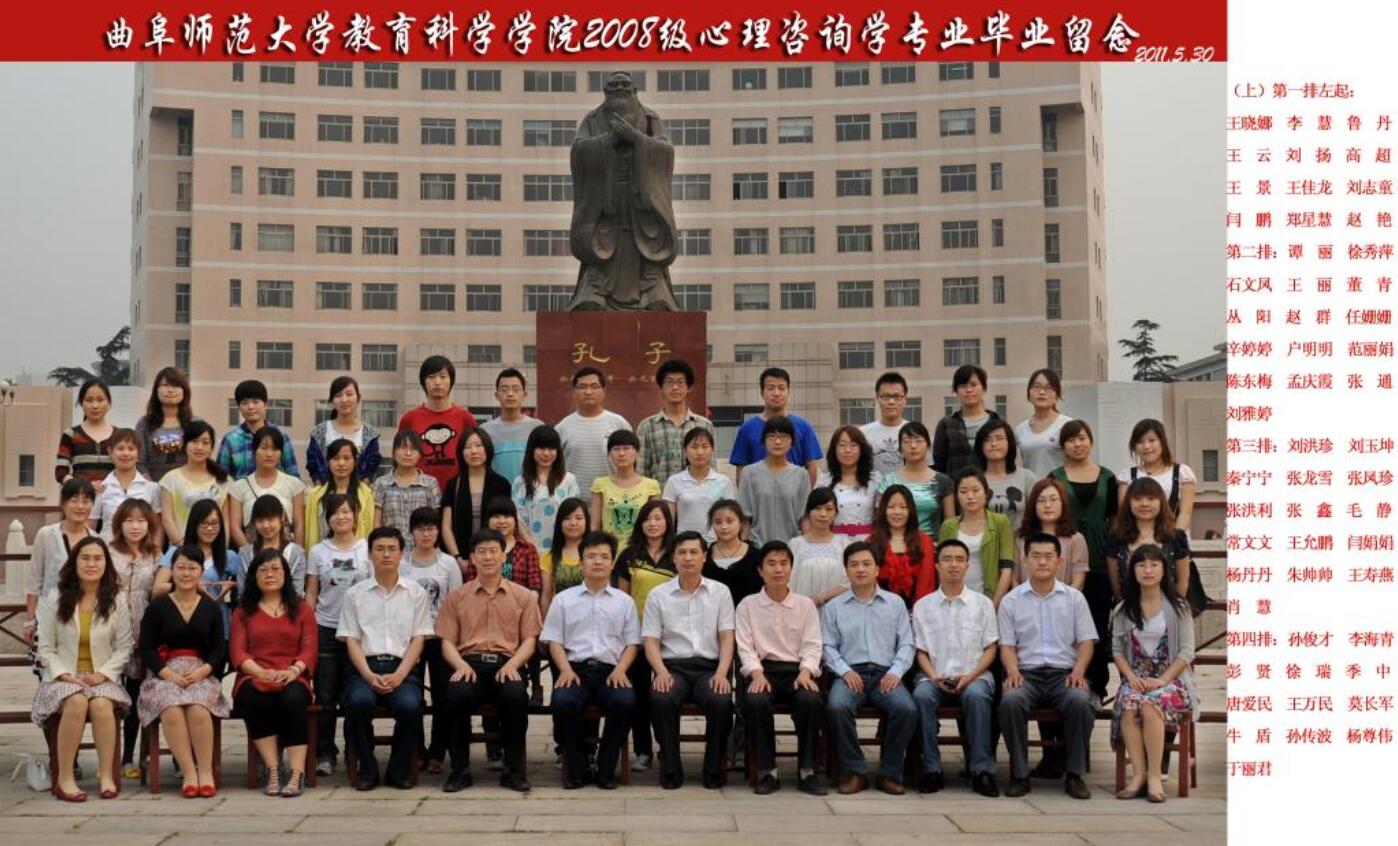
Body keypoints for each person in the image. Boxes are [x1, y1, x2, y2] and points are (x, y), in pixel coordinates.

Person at [437, 529, 542, 793]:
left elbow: (530, 640)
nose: (487, 557)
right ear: (472, 558)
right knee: (455, 696)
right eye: (481, 552)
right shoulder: (457, 597)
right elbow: (447, 641)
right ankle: (460, 771)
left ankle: (513, 771)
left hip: (507, 663)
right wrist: (460, 665)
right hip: (469, 664)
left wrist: (513, 665)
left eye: (493, 551)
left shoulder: (523, 596)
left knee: (516, 696)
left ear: (503, 556)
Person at [566, 71, 681, 311]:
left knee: (645, 245)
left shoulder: (650, 119)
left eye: (625, 84)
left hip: (640, 196)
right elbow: (579, 151)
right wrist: (608, 140)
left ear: (635, 91)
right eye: (614, 84)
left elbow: (665, 151)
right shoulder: (592, 119)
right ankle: (594, 292)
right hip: (605, 198)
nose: (620, 87)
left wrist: (635, 138)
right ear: (605, 91)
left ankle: (652, 293)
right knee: (603, 242)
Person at [31, 537, 133, 801]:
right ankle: (65, 777)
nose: (91, 564)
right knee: (76, 701)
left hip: (102, 677)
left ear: (106, 563)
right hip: (62, 677)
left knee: (101, 705)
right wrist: (64, 675)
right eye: (85, 558)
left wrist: (103, 675)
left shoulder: (116, 600)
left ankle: (106, 775)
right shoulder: (55, 598)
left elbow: (124, 647)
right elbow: (45, 648)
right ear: (74, 563)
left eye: (98, 558)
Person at [998, 533, 1098, 800]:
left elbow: (1086, 641)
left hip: (1064, 674)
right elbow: (1006, 645)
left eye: (1048, 556)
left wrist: (1079, 671)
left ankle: (1074, 774)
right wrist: (1012, 672)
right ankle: (1020, 774)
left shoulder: (1074, 598)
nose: (1042, 562)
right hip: (1026, 675)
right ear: (1025, 560)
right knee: (1010, 701)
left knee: (1080, 701)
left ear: (1059, 561)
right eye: (1036, 556)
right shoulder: (1011, 600)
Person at [540, 532, 641, 789]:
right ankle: (577, 768)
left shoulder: (625, 602)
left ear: (612, 562)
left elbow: (632, 643)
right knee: (563, 701)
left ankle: (606, 769)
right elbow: (554, 640)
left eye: (604, 557)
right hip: (575, 670)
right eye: (591, 556)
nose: (598, 561)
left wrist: (621, 670)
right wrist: (564, 669)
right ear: (581, 561)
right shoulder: (563, 599)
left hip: (611, 671)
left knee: (625, 702)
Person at [338, 527, 433, 790]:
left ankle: (397, 769)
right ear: (370, 555)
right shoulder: (355, 594)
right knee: (358, 703)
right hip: (364, 669)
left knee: (410, 706)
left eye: (392, 549)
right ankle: (367, 768)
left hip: (402, 668)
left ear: (402, 553)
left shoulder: (416, 593)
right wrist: (369, 676)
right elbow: (351, 640)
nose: (386, 555)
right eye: (380, 549)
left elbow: (418, 639)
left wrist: (400, 674)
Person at [821, 542, 917, 796]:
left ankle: (889, 773)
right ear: (846, 570)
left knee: (906, 709)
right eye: (854, 565)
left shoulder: (895, 604)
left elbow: (907, 643)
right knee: (837, 706)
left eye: (866, 564)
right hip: (850, 673)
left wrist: (896, 671)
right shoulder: (834, 606)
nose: (860, 569)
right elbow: (827, 646)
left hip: (887, 673)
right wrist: (844, 671)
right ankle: (855, 772)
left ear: (877, 569)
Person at [643, 532, 735, 789]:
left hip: (709, 668)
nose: (688, 558)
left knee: (721, 701)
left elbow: (727, 637)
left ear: (705, 557)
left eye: (694, 552)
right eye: (682, 552)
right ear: (673, 558)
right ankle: (671, 769)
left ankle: (713, 768)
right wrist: (661, 672)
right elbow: (650, 640)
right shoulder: (658, 595)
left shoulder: (720, 592)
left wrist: (722, 673)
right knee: (661, 698)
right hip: (673, 668)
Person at [910, 539, 1001, 797]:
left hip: (975, 675)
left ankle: (981, 770)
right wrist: (933, 677)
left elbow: (991, 648)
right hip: (934, 676)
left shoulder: (983, 604)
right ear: (937, 565)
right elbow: (920, 651)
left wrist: (971, 676)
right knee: (921, 696)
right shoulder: (923, 605)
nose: (953, 565)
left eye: (960, 559)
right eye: (947, 559)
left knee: (976, 696)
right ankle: (931, 769)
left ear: (968, 565)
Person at [138, 545, 230, 798]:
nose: (186, 573)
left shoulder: (211, 608)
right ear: (172, 570)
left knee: (198, 707)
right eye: (180, 567)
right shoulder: (158, 606)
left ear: (201, 572)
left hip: (200, 672)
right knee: (171, 707)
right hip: (165, 674)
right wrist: (167, 674)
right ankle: (189, 773)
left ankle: (205, 772)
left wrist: (203, 671)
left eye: (192, 568)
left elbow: (219, 649)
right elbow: (146, 648)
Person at [736, 540, 827, 796]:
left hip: (797, 670)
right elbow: (745, 646)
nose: (778, 569)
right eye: (771, 564)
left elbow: (813, 645)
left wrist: (806, 672)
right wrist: (756, 673)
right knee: (756, 702)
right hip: (763, 671)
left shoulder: (805, 605)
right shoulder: (747, 605)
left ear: (791, 569)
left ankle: (808, 771)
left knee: (811, 701)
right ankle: (768, 771)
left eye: (784, 564)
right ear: (760, 570)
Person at [1111, 545, 1198, 804]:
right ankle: (1138, 774)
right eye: (1141, 565)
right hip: (1136, 679)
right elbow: (1117, 651)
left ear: (1164, 570)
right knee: (1129, 704)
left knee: (1150, 705)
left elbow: (1186, 651)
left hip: (1172, 682)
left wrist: (1162, 680)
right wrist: (1130, 677)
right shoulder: (1123, 609)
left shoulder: (1179, 608)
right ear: (1133, 571)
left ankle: (1154, 776)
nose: (1147, 570)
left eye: (1154, 565)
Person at [230, 548, 317, 797]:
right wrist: (261, 672)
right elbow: (237, 651)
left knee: (293, 699)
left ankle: (297, 772)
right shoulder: (243, 611)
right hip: (254, 675)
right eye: (263, 570)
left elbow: (309, 648)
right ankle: (273, 769)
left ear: (286, 574)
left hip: (293, 675)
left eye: (275, 568)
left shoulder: (302, 609)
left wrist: (293, 670)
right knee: (255, 699)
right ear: (254, 576)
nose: (270, 574)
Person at [1049, 420, 1119, 703]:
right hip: (1065, 563)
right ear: (1062, 446)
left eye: (1082, 438)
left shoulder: (1108, 477)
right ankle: (1065, 682)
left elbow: (1115, 521)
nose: (1077, 444)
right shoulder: (1055, 477)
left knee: (1097, 626)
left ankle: (1096, 687)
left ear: (1091, 441)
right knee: (1064, 626)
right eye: (1071, 440)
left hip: (1100, 562)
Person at [304, 493, 372, 776]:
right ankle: (324, 753)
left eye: (347, 511)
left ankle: (355, 750)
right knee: (325, 695)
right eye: (335, 512)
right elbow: (311, 593)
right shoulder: (318, 552)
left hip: (359, 631)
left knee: (354, 694)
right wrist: (309, 627)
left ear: (355, 514)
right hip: (326, 627)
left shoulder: (366, 549)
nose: (341, 517)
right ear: (327, 518)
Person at [399, 507, 463, 773]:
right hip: (410, 637)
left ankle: (438, 751)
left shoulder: (448, 563)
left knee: (443, 694)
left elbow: (457, 601)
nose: (426, 534)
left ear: (438, 531)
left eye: (431, 528)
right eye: (420, 529)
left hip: (440, 636)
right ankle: (417, 749)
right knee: (411, 694)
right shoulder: (402, 563)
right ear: (411, 532)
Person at [614, 499, 675, 770]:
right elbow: (622, 599)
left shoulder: (676, 554)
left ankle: (667, 747)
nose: (653, 523)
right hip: (637, 637)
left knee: (664, 694)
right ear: (640, 523)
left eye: (658, 518)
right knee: (639, 696)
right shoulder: (629, 555)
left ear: (667, 523)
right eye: (648, 518)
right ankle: (643, 751)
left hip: (670, 638)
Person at [108, 499, 161, 780]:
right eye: (129, 520)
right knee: (115, 694)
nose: (135, 526)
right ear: (120, 524)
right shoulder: (108, 552)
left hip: (144, 628)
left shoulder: (155, 555)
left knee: (138, 692)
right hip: (114, 627)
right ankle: (111, 756)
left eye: (141, 521)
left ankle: (132, 756)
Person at [24, 478, 98, 645]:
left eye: (86, 501)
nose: (80, 506)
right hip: (49, 616)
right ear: (63, 503)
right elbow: (34, 580)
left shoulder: (96, 539)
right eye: (74, 500)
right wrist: (29, 620)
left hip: (84, 619)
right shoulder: (46, 535)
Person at [155, 499, 243, 634]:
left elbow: (246, 587)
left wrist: (232, 586)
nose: (209, 528)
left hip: (218, 626)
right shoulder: (176, 552)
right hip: (182, 623)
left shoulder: (229, 556)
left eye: (214, 524)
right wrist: (193, 586)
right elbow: (157, 588)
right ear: (194, 524)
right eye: (204, 523)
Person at [1108, 478, 1197, 609]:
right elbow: (1115, 582)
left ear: (1161, 502)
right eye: (1137, 499)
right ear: (1129, 502)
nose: (1144, 504)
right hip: (1129, 609)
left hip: (1169, 610)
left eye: (1151, 498)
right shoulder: (1117, 537)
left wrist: (1171, 611)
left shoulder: (1176, 537)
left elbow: (1182, 583)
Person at [396, 356, 479, 492]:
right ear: (423, 382)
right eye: (431, 377)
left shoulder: (466, 418)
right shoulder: (409, 419)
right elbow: (399, 457)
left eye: (443, 376)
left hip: (457, 491)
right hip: (418, 492)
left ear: (451, 381)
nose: (437, 382)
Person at [728, 368, 823, 485]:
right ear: (762, 392)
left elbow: (811, 466)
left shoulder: (804, 427)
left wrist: (803, 494)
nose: (776, 393)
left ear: (788, 391)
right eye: (771, 388)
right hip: (758, 493)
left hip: (793, 492)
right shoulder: (747, 429)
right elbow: (741, 471)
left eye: (781, 388)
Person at [938, 469, 1016, 606]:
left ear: (986, 493)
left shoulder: (1000, 522)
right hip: (955, 598)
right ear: (956, 496)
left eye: (975, 490)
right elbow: (942, 568)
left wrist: (993, 605)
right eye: (963, 491)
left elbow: (1006, 569)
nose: (970, 496)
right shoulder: (948, 526)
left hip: (989, 597)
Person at [736, 416, 812, 546]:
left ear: (792, 441)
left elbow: (804, 518)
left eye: (784, 437)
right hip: (757, 546)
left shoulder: (801, 475)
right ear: (763, 440)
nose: (777, 441)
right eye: (771, 436)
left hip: (791, 547)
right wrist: (744, 547)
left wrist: (808, 547)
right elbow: (745, 518)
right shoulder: (749, 473)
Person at [637, 358, 715, 485]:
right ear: (661, 388)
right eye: (669, 382)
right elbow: (641, 472)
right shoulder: (647, 426)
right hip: (660, 496)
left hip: (696, 495)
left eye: (680, 382)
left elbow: (711, 468)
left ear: (688, 388)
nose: (674, 387)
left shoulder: (704, 425)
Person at [226, 427, 307, 549]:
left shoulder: (294, 485)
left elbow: (299, 525)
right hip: (252, 554)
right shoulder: (238, 487)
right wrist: (250, 554)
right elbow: (234, 527)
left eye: (275, 449)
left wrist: (296, 553)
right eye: (264, 448)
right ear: (254, 451)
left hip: (285, 554)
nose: (269, 454)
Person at [556, 367, 632, 495]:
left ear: (603, 391)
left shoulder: (619, 424)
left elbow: (632, 464)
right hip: (573, 501)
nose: (588, 391)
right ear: (574, 392)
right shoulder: (562, 427)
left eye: (594, 386)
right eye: (582, 387)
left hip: (612, 499)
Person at [441, 428, 511, 566]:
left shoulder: (501, 484)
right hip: (461, 558)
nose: (473, 451)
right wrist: (457, 558)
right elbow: (446, 527)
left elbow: (508, 524)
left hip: (492, 558)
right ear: (461, 453)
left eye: (479, 445)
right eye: (467, 447)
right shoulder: (453, 484)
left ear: (487, 449)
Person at [512, 424, 581, 558]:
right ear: (532, 450)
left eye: (551, 448)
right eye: (541, 448)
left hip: (563, 552)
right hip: (530, 552)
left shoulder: (569, 480)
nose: (546, 453)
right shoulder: (520, 482)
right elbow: (518, 519)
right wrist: (533, 549)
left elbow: (574, 516)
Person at [1118, 419, 1197, 536]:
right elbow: (1124, 514)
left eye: (1152, 440)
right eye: (1140, 442)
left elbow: (1185, 513)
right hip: (1137, 540)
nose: (1146, 446)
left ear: (1162, 441)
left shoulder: (1182, 473)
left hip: (1174, 539)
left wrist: (1173, 541)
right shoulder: (1127, 476)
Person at [875, 422, 954, 536]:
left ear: (928, 446)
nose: (913, 446)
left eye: (918, 440)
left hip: (933, 544)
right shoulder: (887, 481)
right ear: (900, 448)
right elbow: (880, 521)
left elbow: (950, 525)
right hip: (896, 544)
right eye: (907, 441)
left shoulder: (943, 481)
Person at [158, 420, 230, 544]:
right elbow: (167, 519)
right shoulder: (170, 479)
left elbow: (225, 521)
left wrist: (222, 548)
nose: (199, 447)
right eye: (194, 441)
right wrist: (182, 546)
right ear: (185, 445)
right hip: (181, 550)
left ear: (212, 447)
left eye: (205, 443)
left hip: (214, 551)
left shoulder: (223, 480)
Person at [590, 429, 661, 550]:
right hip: (609, 552)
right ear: (609, 454)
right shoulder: (600, 485)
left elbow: (657, 526)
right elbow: (595, 526)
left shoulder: (651, 486)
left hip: (640, 551)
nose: (621, 453)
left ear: (637, 453)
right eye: (616, 449)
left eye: (627, 448)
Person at [869, 484, 937, 607]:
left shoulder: (924, 541)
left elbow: (926, 582)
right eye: (891, 507)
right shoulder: (872, 541)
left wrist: (919, 611)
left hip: (917, 610)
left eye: (903, 507)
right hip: (880, 609)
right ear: (883, 510)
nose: (897, 512)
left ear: (911, 510)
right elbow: (869, 584)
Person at [216, 379, 299, 480]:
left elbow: (293, 476)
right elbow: (221, 479)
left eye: (256, 402)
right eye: (245, 403)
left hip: (276, 490)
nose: (250, 407)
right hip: (241, 490)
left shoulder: (281, 435)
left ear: (265, 404)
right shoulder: (230, 439)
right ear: (239, 407)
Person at [306, 376, 382, 484]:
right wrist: (320, 487)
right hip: (326, 491)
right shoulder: (319, 432)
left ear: (358, 398)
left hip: (359, 492)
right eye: (338, 395)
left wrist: (362, 488)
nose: (344, 400)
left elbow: (371, 467)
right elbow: (313, 465)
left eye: (349, 394)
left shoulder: (370, 434)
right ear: (332, 400)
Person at [1014, 479, 1089, 589]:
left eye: (1053, 499)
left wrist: (1059, 598)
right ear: (1033, 505)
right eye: (1041, 500)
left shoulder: (1076, 539)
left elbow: (1078, 581)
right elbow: (1014, 579)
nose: (1048, 505)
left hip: (1065, 598)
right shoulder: (1020, 537)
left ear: (1062, 503)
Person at [662, 427, 734, 539]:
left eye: (705, 447)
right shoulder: (674, 481)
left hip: (715, 543)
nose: (700, 452)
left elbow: (730, 517)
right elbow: (668, 521)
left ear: (712, 450)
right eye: (694, 447)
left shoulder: (723, 482)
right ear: (685, 451)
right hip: (685, 544)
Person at [91, 428, 162, 543]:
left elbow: (157, 527)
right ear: (110, 451)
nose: (126, 453)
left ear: (138, 453)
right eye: (120, 448)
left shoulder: (152, 488)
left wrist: (156, 550)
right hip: (108, 550)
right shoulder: (100, 488)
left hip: (142, 551)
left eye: (131, 449)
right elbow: (90, 527)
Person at [932, 365, 1002, 480]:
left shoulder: (997, 422)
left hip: (993, 487)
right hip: (956, 488)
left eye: (973, 385)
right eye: (963, 386)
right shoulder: (946, 424)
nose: (969, 390)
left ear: (984, 388)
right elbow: (939, 465)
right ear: (956, 391)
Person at [304, 439, 375, 549]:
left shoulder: (366, 494)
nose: (341, 463)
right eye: (336, 458)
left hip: (357, 554)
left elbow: (371, 530)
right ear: (328, 462)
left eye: (346, 458)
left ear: (355, 462)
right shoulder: (315, 496)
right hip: (323, 555)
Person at [372, 429, 441, 540]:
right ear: (394, 452)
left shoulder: (430, 484)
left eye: (413, 449)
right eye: (403, 448)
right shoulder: (381, 483)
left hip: (421, 547)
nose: (408, 453)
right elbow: (376, 522)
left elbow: (436, 522)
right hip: (391, 548)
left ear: (420, 454)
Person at [788, 488, 851, 606]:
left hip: (837, 609)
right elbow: (787, 581)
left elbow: (850, 581)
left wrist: (820, 598)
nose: (823, 514)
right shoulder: (795, 545)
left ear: (836, 512)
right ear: (808, 512)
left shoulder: (844, 544)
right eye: (817, 508)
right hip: (802, 609)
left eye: (829, 509)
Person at [480, 368, 544, 482]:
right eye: (504, 390)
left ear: (524, 394)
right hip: (497, 492)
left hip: (530, 491)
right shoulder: (485, 431)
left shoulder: (537, 428)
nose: (510, 394)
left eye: (516, 389)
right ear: (497, 395)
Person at [134, 367, 196, 482]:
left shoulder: (195, 424)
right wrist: (152, 487)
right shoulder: (144, 424)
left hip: (188, 488)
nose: (170, 390)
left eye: (176, 385)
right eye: (165, 385)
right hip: (153, 488)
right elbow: (139, 463)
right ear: (156, 390)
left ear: (184, 391)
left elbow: (201, 461)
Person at [237, 495, 308, 596]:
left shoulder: (296, 553)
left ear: (282, 517)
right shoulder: (245, 553)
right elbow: (243, 592)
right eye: (260, 520)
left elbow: (296, 592)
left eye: (270, 519)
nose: (266, 525)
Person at [977, 419, 1039, 531]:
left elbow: (1037, 516)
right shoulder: (974, 479)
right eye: (987, 440)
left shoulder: (1027, 477)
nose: (993, 444)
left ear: (1010, 443)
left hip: (1019, 540)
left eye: (999, 438)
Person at [818, 426, 878, 539]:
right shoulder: (824, 481)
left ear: (862, 449)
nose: (848, 450)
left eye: (853, 445)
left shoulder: (874, 481)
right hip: (834, 541)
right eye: (842, 445)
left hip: (867, 542)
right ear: (834, 450)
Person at [701, 499, 764, 605]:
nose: (724, 526)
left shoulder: (756, 556)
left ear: (741, 523)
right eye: (718, 522)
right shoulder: (704, 557)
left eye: (730, 521)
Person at [55, 378, 116, 485]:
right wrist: (82, 485)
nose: (95, 405)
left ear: (108, 402)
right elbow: (61, 472)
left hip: (112, 495)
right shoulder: (70, 435)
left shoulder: (119, 436)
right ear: (81, 403)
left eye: (100, 400)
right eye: (89, 400)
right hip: (81, 494)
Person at [1015, 369, 1073, 478]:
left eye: (1048, 388)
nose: (1042, 392)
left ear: (1057, 394)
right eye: (1037, 387)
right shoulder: (1020, 429)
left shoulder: (1067, 425)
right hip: (1032, 487)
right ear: (1029, 392)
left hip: (1059, 487)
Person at [541, 498, 589, 618]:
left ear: (587, 521)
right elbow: (546, 596)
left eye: (578, 518)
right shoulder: (549, 558)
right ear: (560, 523)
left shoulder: (596, 554)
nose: (573, 523)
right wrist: (546, 625)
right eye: (567, 518)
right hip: (560, 619)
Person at [860, 371, 913, 476]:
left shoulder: (915, 433)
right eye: (885, 396)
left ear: (905, 399)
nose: (891, 402)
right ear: (877, 398)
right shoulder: (862, 434)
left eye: (897, 397)